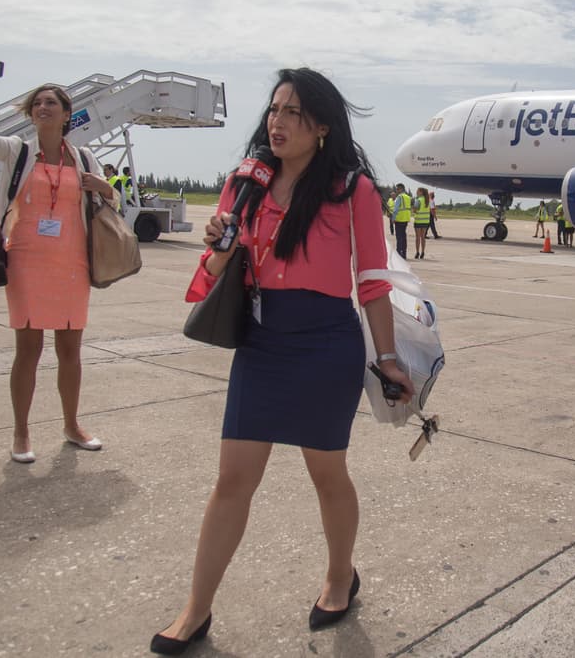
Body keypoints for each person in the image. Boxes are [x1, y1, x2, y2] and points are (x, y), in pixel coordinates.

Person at [152, 68, 414, 654]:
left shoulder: (352, 190)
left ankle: (340, 575)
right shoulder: (244, 183)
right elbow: (210, 274)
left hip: (326, 346)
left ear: (321, 126)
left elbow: (372, 282)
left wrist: (388, 358)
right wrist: (219, 245)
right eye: (274, 110)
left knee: (327, 475)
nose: (278, 122)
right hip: (262, 344)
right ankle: (197, 609)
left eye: (293, 113)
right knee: (232, 479)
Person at [0, 60, 117, 463]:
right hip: (27, 260)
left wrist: (104, 186)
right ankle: (21, 432)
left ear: (66, 114)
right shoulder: (18, 151)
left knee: (70, 351)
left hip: (73, 263)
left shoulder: (84, 158)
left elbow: (111, 202)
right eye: (37, 104)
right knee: (28, 349)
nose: (43, 108)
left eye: (51, 103)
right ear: (31, 114)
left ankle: (72, 424)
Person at [390, 182, 411, 259]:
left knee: (399, 237)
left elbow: (395, 209)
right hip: (405, 219)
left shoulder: (399, 197)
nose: (397, 190)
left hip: (399, 219)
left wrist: (393, 219)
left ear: (401, 189)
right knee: (403, 236)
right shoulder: (408, 197)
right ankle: (404, 253)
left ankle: (399, 253)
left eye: (397, 189)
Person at [412, 186, 431, 259]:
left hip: (418, 220)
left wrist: (413, 209)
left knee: (417, 237)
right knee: (423, 237)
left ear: (421, 192)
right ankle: (423, 252)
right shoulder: (427, 200)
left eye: (417, 191)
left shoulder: (418, 200)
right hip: (425, 221)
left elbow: (415, 210)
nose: (416, 192)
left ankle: (417, 252)